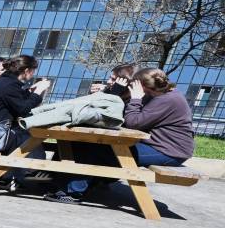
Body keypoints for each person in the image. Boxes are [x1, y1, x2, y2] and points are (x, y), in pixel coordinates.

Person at [47, 67, 194, 204]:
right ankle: (63, 182)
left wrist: (135, 98)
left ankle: (73, 193)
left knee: (96, 149)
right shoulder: (161, 95)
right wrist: (109, 91)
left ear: (141, 86)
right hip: (157, 145)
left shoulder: (166, 100)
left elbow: (133, 122)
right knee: (90, 145)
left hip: (168, 151)